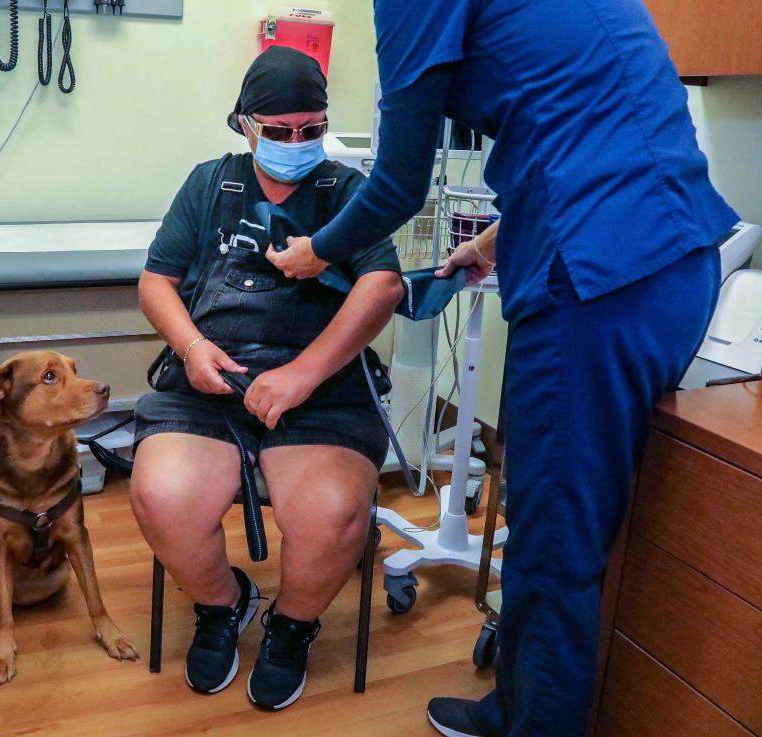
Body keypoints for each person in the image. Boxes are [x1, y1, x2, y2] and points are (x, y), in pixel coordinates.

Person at [265, 2, 738, 736]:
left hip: (597, 279)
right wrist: (492, 240)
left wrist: (315, 251)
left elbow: (397, 186)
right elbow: (584, 122)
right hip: (676, 257)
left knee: (553, 551)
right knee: (557, 525)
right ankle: (514, 708)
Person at [130, 46, 404, 711]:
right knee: (161, 493)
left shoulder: (346, 194)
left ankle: (291, 626)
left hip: (319, 390)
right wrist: (191, 347)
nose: (296, 143)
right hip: (212, 382)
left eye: (311, 129)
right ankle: (225, 602)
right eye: (278, 131)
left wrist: (303, 376)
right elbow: (155, 281)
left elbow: (384, 285)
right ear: (246, 124)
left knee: (333, 509)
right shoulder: (210, 186)